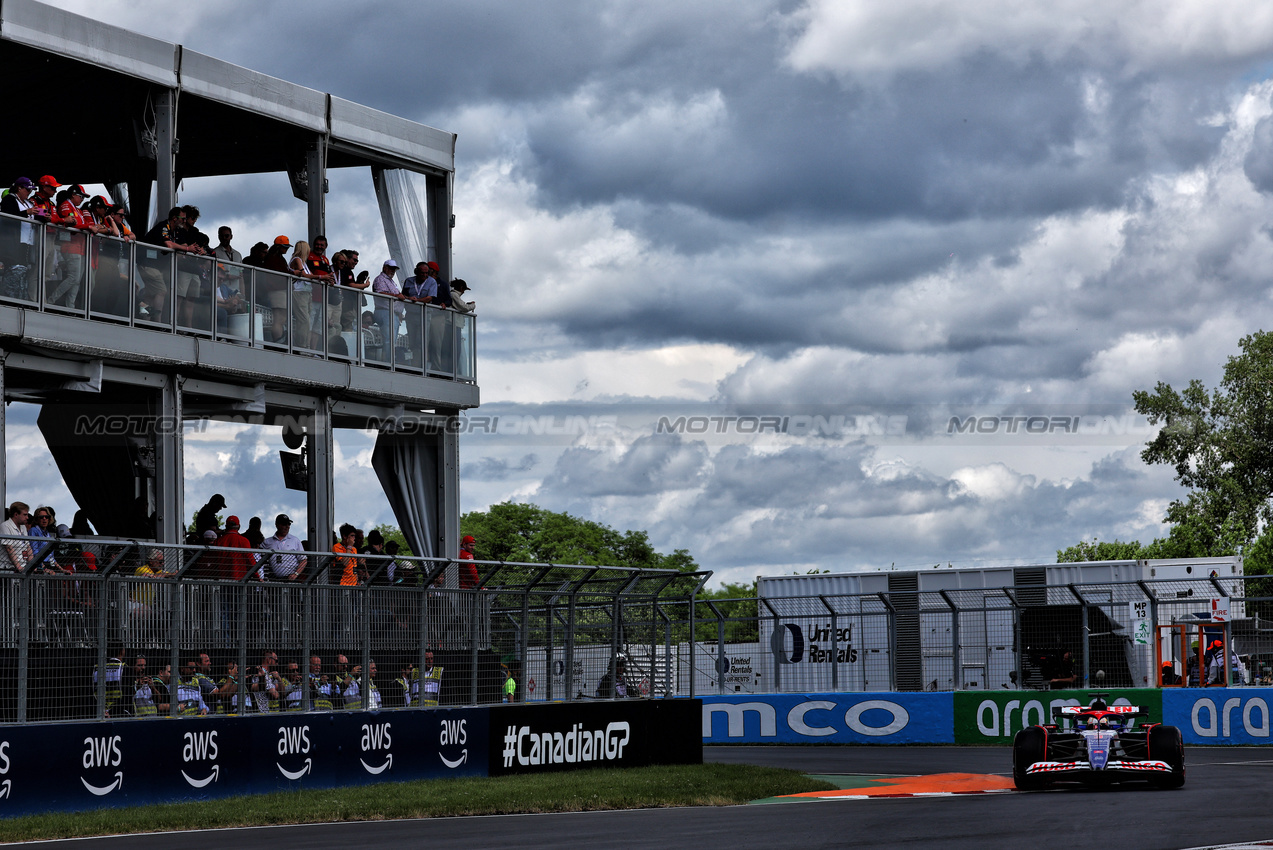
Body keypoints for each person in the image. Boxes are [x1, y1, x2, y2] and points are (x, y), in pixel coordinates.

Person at [372, 259, 406, 354]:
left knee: (391, 340)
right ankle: (388, 363)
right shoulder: (380, 279)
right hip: (385, 312)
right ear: (384, 268)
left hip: (391, 313)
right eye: (391, 268)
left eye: (394, 269)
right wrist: (396, 296)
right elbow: (380, 292)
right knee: (389, 341)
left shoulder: (389, 281)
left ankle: (389, 361)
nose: (393, 271)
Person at [1, 502, 33, 571]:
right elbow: (9, 548)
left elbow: (28, 547)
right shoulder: (5, 526)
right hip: (8, 568)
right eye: (25, 515)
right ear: (16, 514)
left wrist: (32, 565)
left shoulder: (23, 527)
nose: (27, 517)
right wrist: (19, 567)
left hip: (23, 566)